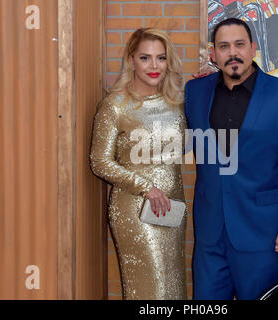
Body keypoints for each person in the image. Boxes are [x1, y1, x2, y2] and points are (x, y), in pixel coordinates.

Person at [185, 18, 278, 299]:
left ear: (253, 48)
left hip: (265, 236)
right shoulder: (194, 92)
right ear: (213, 54)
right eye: (224, 46)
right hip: (210, 235)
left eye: (240, 44)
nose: (233, 53)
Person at [90, 28, 187, 299]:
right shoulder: (115, 106)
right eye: (145, 58)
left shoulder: (177, 105)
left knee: (173, 286)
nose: (154, 66)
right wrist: (146, 187)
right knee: (150, 288)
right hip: (135, 208)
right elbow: (99, 162)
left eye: (161, 58)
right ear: (131, 60)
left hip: (173, 207)